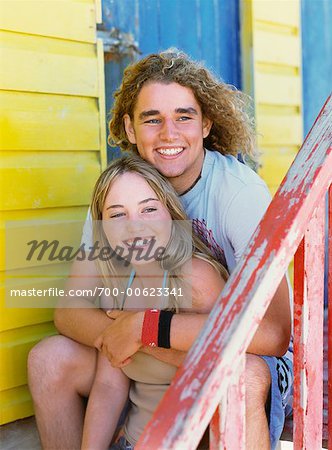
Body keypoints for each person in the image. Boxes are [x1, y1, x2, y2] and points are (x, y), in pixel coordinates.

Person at [28, 49, 292, 450]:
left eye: (184, 116)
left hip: (247, 356)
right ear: (130, 129)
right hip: (160, 348)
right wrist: (124, 338)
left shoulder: (237, 194)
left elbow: (272, 334)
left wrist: (144, 329)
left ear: (206, 124)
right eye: (152, 119)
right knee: (49, 360)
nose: (169, 133)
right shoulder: (124, 192)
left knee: (243, 375)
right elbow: (70, 309)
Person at [81, 154, 228, 449]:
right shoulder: (119, 284)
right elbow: (109, 385)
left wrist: (144, 338)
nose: (134, 226)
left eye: (148, 209)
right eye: (117, 214)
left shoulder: (195, 277)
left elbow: (220, 379)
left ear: (170, 214)